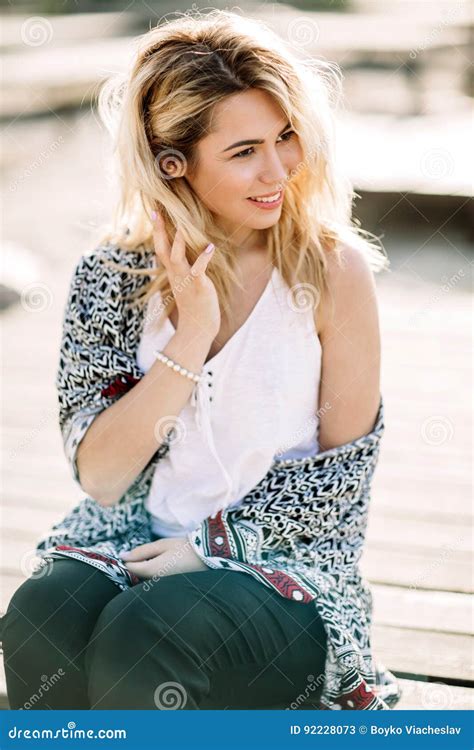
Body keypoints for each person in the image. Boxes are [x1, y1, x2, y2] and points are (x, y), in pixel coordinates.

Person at [1, 9, 398, 711]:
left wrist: (210, 550)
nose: (278, 170)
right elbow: (100, 475)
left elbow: (339, 491)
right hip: (133, 541)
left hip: (286, 574)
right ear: (170, 163)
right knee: (42, 614)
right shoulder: (110, 277)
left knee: (146, 631)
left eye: (285, 137)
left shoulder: (334, 273)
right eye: (244, 151)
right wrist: (189, 340)